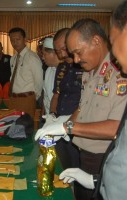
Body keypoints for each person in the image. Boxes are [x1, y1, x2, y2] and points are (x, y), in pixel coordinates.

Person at [59, 0, 127, 199]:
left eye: (112, 41)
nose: (113, 53)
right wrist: (97, 180)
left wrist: (67, 128)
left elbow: (117, 129)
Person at [35, 18, 127, 200]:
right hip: (85, 155)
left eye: (78, 52)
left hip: (105, 160)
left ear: (96, 41)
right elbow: (82, 109)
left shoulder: (122, 72)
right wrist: (64, 123)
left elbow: (117, 128)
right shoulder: (90, 72)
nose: (75, 59)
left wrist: (68, 128)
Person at [48, 28, 83, 171]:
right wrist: (51, 116)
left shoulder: (85, 66)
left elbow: (86, 101)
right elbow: (57, 94)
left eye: (64, 49)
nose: (62, 54)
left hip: (76, 125)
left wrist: (69, 122)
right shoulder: (62, 66)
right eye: (57, 51)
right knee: (62, 164)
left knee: (76, 166)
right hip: (60, 123)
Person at [8, 27, 43, 101]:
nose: (15, 42)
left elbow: (39, 81)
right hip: (14, 97)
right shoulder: (13, 58)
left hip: (28, 98)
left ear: (25, 39)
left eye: (18, 39)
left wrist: (33, 99)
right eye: (12, 40)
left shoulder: (32, 57)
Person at [41, 37, 59, 115]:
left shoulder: (67, 71)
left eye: (45, 54)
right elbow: (46, 95)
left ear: (54, 53)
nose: (42, 57)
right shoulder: (49, 70)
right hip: (49, 116)